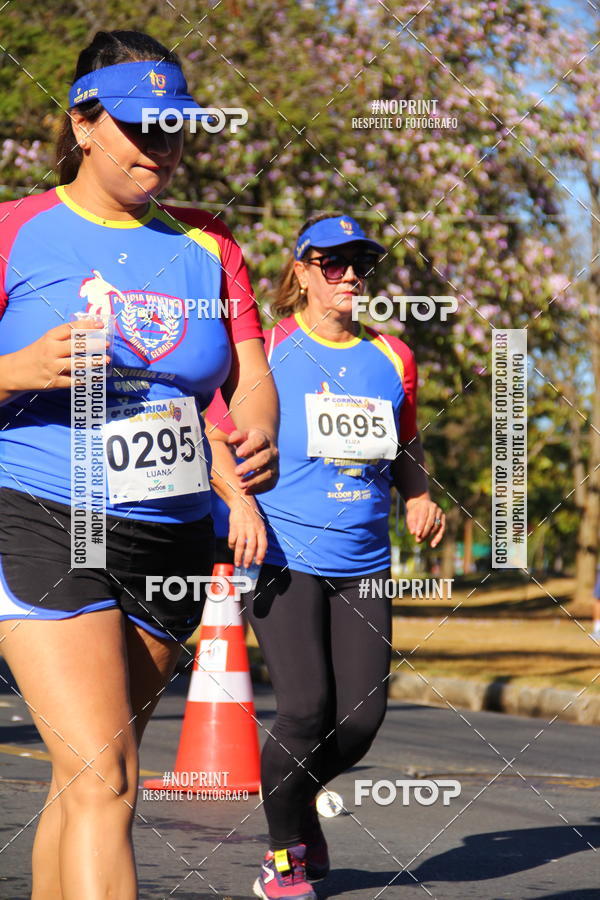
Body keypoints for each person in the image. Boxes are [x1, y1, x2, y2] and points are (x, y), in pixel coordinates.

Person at [0, 30, 278, 900]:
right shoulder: (15, 229)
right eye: (138, 126)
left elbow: (249, 375)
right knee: (108, 779)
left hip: (170, 536)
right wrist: (15, 371)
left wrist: (258, 433)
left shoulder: (209, 245)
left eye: (175, 126)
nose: (162, 145)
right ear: (84, 123)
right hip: (45, 514)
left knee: (84, 777)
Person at [206, 213, 445, 900]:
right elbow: (216, 429)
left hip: (364, 560)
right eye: (332, 263)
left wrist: (418, 495)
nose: (349, 276)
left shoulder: (393, 356)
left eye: (359, 264)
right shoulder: (266, 349)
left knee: (361, 720)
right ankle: (283, 859)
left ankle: (295, 805)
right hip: (283, 551)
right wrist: (237, 504)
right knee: (306, 710)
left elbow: (405, 442)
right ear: (302, 272)